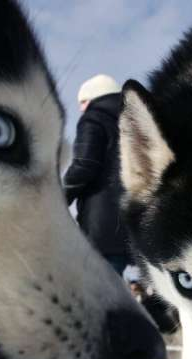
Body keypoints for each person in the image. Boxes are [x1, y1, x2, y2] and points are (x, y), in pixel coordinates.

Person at [63, 74, 131, 276]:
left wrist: (59, 195)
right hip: (128, 227)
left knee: (94, 292)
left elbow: (85, 164)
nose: (81, 109)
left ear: (94, 98)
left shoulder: (94, 117)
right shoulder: (133, 118)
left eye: (83, 102)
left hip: (100, 228)